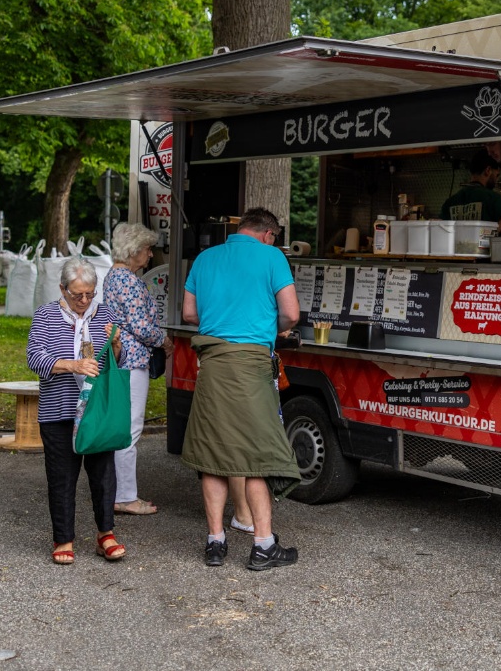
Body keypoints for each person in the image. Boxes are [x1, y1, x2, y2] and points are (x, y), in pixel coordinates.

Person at [181, 207, 302, 571]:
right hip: (251, 366)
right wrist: (270, 324)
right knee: (256, 454)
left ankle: (215, 541)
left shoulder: (205, 257)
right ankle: (263, 545)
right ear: (269, 234)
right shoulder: (272, 256)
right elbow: (292, 314)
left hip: (212, 364)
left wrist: (222, 320)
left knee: (213, 455)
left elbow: (189, 314)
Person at [26, 257, 126, 565]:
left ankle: (105, 535)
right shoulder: (46, 315)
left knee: (103, 475)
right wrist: (72, 365)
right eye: (77, 294)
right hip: (60, 408)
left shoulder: (105, 313)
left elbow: (116, 364)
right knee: (62, 477)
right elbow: (34, 358)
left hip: (97, 410)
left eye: (90, 293)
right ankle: (63, 538)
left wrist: (117, 345)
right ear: (62, 289)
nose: (84, 300)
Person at [101, 222, 171, 516]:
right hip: (133, 360)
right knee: (131, 428)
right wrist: (164, 340)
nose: (151, 255)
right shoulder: (128, 281)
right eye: (147, 249)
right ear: (133, 251)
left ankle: (118, 491)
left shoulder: (112, 276)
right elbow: (140, 326)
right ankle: (125, 496)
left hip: (121, 358)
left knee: (123, 426)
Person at [440, 151, 501, 222]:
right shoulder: (494, 200)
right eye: (497, 175)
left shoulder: (449, 203)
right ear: (488, 170)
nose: (496, 180)